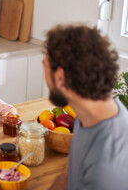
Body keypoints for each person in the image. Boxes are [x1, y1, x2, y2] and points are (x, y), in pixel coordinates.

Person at [44, 25, 128, 190]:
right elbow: (67, 177)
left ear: (60, 77)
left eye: (45, 67)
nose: (45, 77)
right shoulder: (90, 115)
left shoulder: (104, 173)